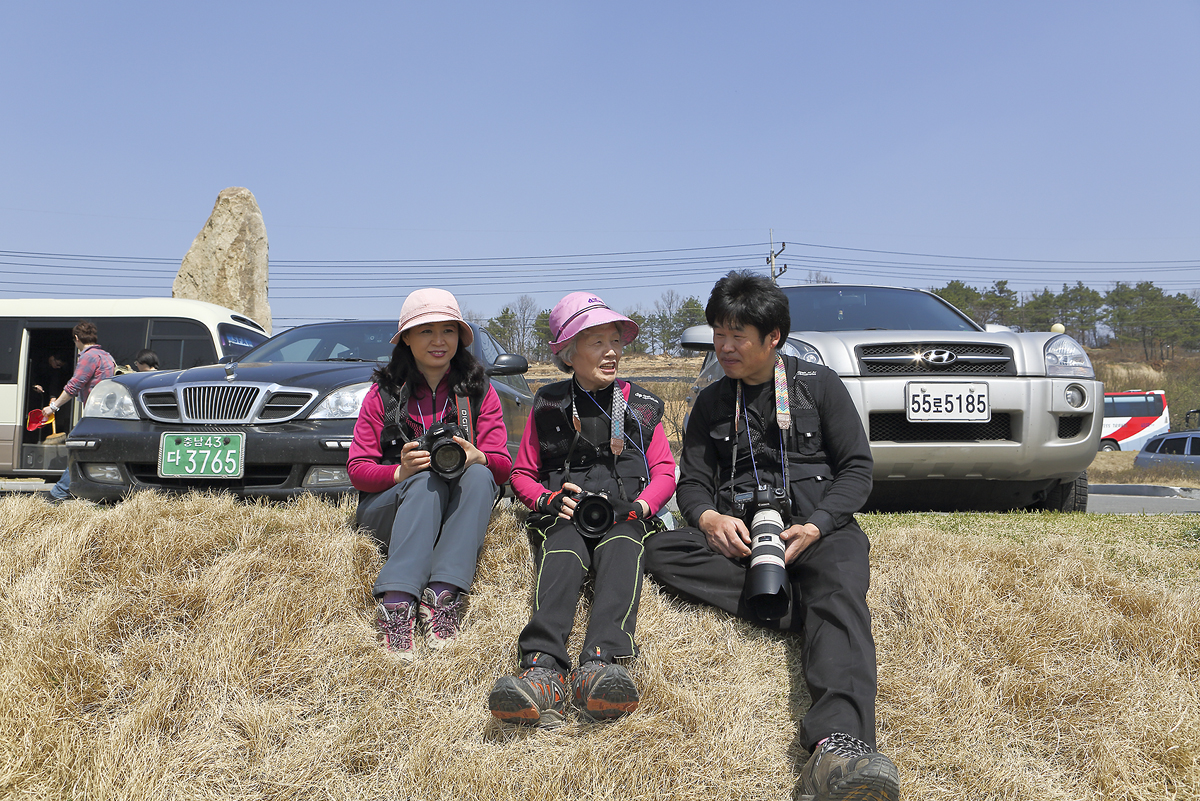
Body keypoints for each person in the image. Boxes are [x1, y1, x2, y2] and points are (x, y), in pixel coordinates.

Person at [643, 272, 899, 801]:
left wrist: (819, 523)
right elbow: (693, 483)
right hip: (740, 536)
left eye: (738, 336)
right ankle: (812, 612)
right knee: (661, 549)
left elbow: (856, 470)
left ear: (773, 337)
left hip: (815, 530)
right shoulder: (711, 402)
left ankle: (838, 748)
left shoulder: (819, 385)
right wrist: (708, 520)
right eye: (719, 334)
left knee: (839, 580)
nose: (725, 347)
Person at [488, 292, 676, 727]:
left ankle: (600, 666)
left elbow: (665, 470)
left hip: (625, 517)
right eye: (597, 342)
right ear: (568, 354)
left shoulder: (643, 406)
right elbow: (522, 473)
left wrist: (640, 507)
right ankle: (542, 671)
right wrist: (548, 500)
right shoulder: (548, 403)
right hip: (566, 517)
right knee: (563, 548)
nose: (612, 352)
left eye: (616, 341)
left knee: (624, 545)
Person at [347, 288, 512, 660]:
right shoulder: (383, 394)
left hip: (454, 511)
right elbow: (357, 470)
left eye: (448, 330)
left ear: (460, 337)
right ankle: (397, 603)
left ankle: (441, 596)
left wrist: (478, 457)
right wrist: (399, 472)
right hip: (392, 512)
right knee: (422, 478)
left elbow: (503, 467)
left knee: (480, 475)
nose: (439, 340)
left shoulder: (478, 391)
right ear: (406, 338)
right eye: (426, 331)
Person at [43, 322, 116, 503]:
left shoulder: (88, 357)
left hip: (95, 415)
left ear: (76, 338)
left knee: (79, 450)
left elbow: (74, 385)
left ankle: (58, 493)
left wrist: (53, 407)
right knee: (95, 453)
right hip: (109, 415)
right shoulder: (107, 356)